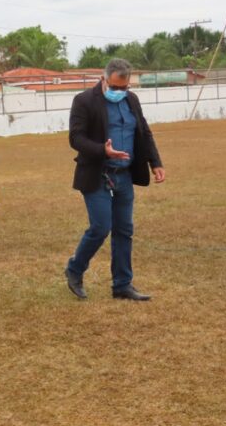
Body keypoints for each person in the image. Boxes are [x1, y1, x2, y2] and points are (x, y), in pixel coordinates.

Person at [64, 58, 165, 301]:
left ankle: (122, 284)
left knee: (124, 230)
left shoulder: (132, 100)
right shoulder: (84, 101)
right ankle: (75, 269)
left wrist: (156, 162)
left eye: (124, 87)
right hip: (97, 174)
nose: (119, 92)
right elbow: (76, 138)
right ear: (103, 79)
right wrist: (103, 150)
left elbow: (144, 131)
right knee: (100, 227)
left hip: (124, 175)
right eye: (115, 87)